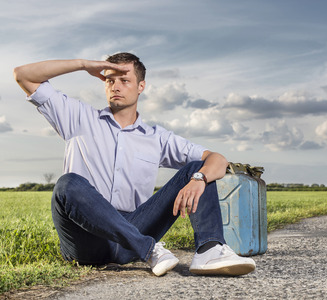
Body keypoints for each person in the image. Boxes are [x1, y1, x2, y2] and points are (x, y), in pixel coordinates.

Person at [13, 52, 256, 276]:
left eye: (124, 80)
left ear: (141, 87)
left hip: (134, 229)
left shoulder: (157, 138)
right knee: (67, 184)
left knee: (197, 169)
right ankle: (149, 249)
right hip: (86, 241)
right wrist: (84, 65)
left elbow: (218, 160)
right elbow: (23, 75)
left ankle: (210, 251)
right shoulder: (78, 118)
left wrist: (198, 179)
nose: (115, 86)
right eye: (109, 80)